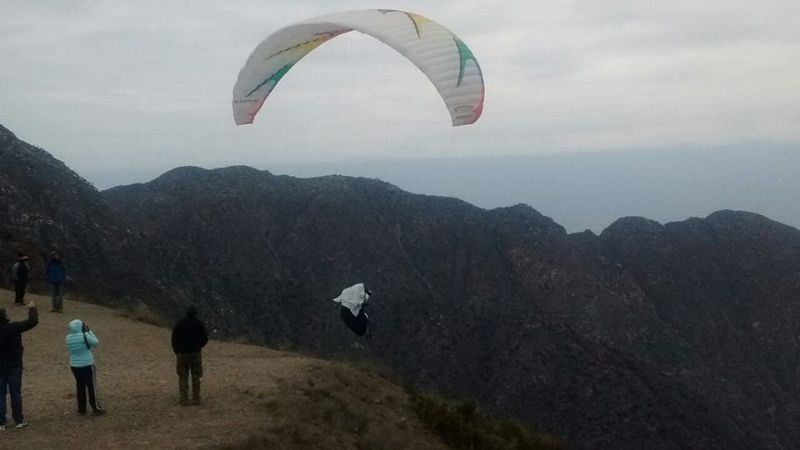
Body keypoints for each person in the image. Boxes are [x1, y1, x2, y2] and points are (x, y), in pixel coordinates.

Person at [0, 301, 38, 430]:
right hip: (14, 364)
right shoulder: (13, 327)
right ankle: (18, 420)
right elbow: (32, 321)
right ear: (5, 315)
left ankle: (1, 422)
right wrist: (32, 308)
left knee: (0, 394)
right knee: (15, 393)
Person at [65, 319, 104, 415]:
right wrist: (89, 331)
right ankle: (95, 407)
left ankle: (81, 408)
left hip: (74, 365)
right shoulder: (84, 335)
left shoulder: (68, 337)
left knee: (80, 386)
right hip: (87, 363)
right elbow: (95, 342)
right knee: (91, 386)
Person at [171, 305, 208, 405]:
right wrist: (198, 346)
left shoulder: (180, 324)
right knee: (196, 376)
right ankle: (196, 398)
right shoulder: (199, 324)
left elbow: (174, 339)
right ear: (195, 314)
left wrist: (177, 351)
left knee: (183, 376)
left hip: (182, 353)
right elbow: (205, 339)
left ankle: (184, 399)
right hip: (195, 353)